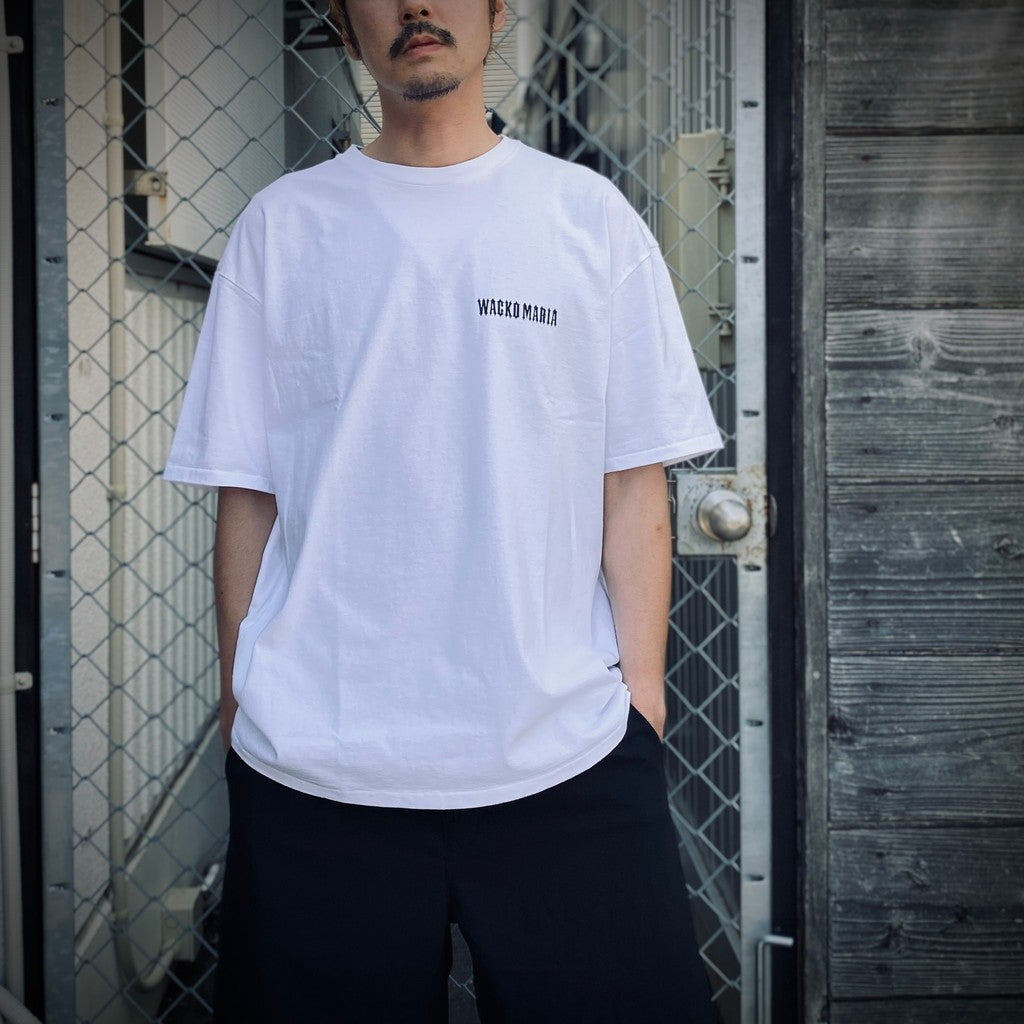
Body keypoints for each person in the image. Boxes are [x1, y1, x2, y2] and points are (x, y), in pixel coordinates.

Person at [164, 1, 722, 1020]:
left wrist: (640, 698)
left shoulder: (586, 217)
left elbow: (631, 477)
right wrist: (243, 698)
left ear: (499, 11)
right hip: (321, 767)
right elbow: (249, 492)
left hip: (565, 753)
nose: (417, 5)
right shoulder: (283, 228)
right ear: (344, 27)